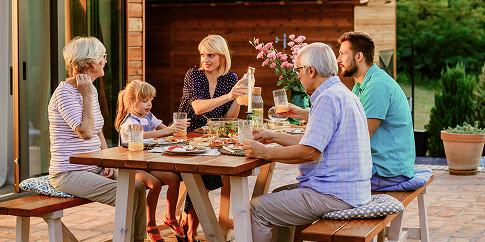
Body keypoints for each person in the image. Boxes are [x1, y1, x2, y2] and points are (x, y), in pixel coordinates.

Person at [244, 42, 372, 242]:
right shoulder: (343, 93)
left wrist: (264, 153)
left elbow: (309, 152)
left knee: (256, 209)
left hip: (335, 195)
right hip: (352, 190)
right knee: (278, 196)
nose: (297, 75)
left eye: (298, 69)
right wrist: (271, 136)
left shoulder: (328, 98)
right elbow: (313, 142)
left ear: (310, 70)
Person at [48, 36, 147, 240]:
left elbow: (98, 130)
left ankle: (136, 239)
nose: (105, 60)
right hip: (68, 173)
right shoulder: (66, 93)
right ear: (92, 63)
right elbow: (85, 132)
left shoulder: (89, 88)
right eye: (103, 56)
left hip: (93, 166)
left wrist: (106, 160)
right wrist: (85, 96)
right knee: (128, 193)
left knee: (139, 186)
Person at [177, 34, 247, 241]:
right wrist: (229, 95)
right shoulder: (193, 75)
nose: (204, 60)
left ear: (222, 57)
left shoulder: (230, 79)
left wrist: (241, 97)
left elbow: (228, 118)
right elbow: (198, 109)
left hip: (211, 139)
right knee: (205, 176)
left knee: (208, 175)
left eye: (210, 55)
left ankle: (188, 225)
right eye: (202, 55)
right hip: (187, 135)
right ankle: (191, 232)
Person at [337, 31, 417, 191]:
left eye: (342, 54)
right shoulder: (361, 85)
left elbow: (360, 137)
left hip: (387, 172)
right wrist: (304, 114)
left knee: (324, 182)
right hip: (378, 167)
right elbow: (342, 118)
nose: (338, 60)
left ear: (359, 57)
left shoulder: (377, 86)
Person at [115, 80, 189, 242]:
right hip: (133, 166)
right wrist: (168, 131)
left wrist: (176, 129)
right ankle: (151, 225)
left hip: (148, 164)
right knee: (154, 184)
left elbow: (162, 128)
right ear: (131, 102)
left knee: (174, 179)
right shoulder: (129, 122)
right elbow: (141, 135)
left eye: (150, 100)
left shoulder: (148, 115)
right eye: (144, 101)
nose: (149, 104)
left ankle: (170, 217)